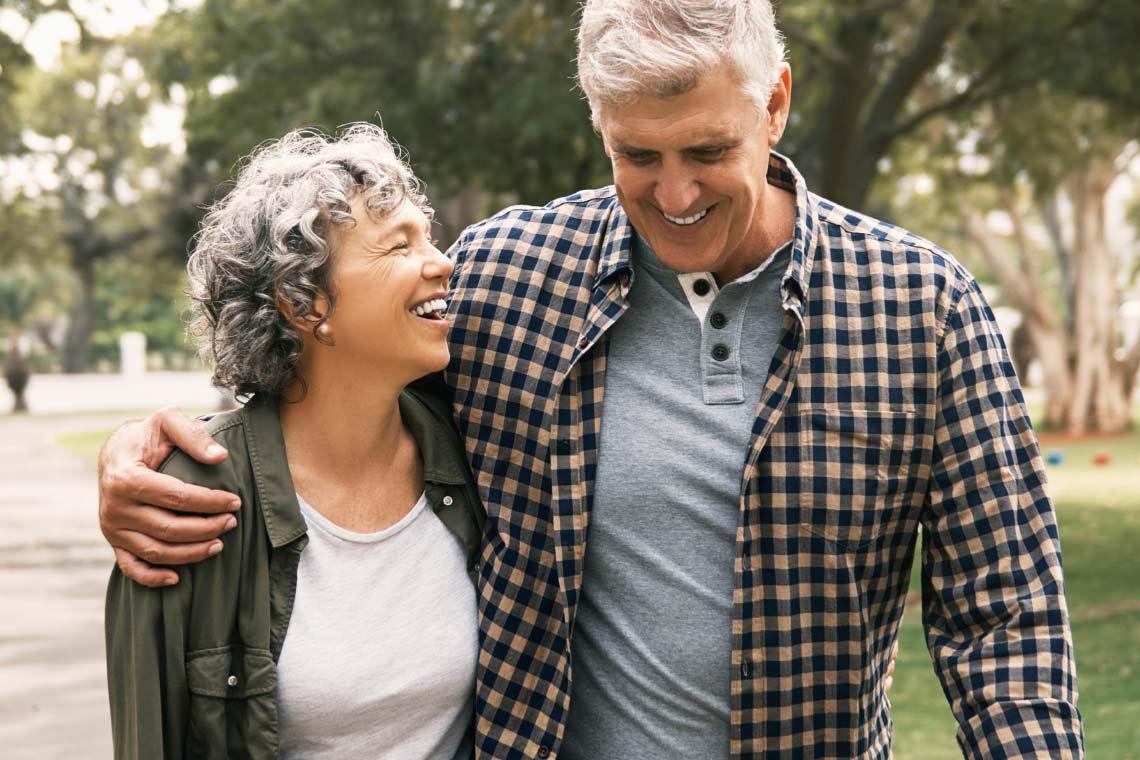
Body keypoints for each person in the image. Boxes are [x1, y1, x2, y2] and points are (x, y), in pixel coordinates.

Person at [98, 0, 1082, 757]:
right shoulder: (508, 277)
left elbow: (1008, 622)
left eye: (709, 150)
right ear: (598, 122)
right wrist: (150, 453)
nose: (678, 193)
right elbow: (328, 394)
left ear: (775, 101)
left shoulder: (925, 309)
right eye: (636, 155)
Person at [104, 125, 485, 759]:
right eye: (397, 246)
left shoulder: (475, 449)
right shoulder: (183, 508)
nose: (443, 262)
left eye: (429, 236)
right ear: (303, 303)